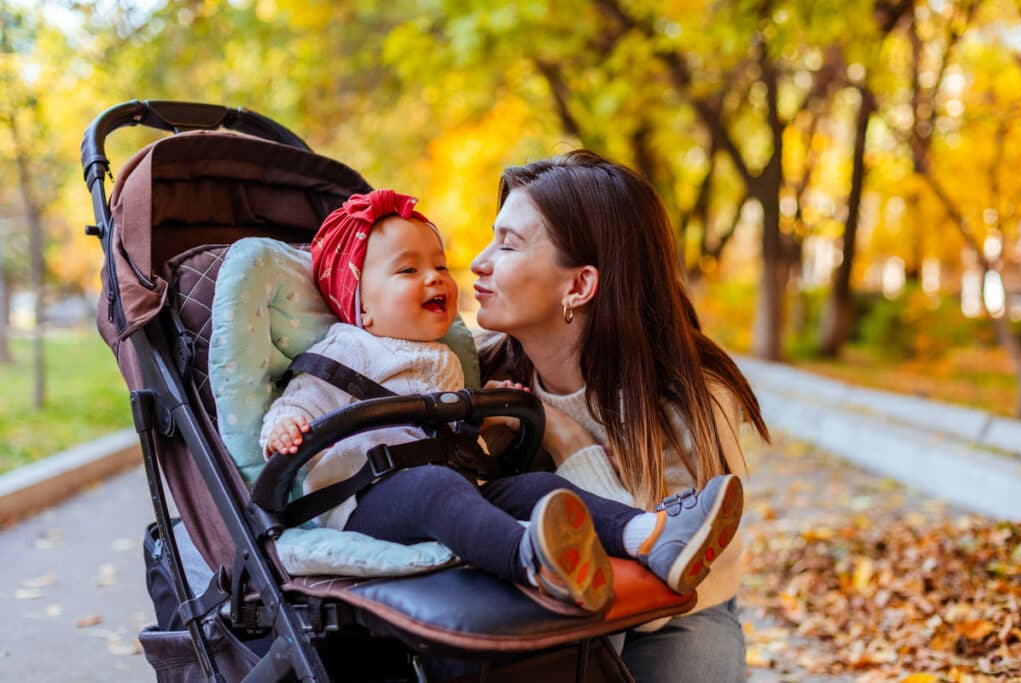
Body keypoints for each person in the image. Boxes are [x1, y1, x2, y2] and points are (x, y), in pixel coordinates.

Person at [261, 188, 744, 615]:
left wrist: (499, 422)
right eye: (409, 270)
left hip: (679, 613)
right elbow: (305, 397)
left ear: (579, 286)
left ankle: (647, 535)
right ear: (359, 304)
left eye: (438, 266)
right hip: (367, 498)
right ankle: (534, 560)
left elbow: (455, 443)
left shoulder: (450, 358)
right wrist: (285, 424)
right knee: (434, 489)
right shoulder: (346, 348)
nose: (451, 273)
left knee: (534, 487)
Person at [471, 151, 770, 680]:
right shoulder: (480, 363)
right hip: (537, 595)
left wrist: (566, 441)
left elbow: (660, 578)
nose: (479, 261)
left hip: (677, 609)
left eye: (508, 244)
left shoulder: (692, 401)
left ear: (579, 286)